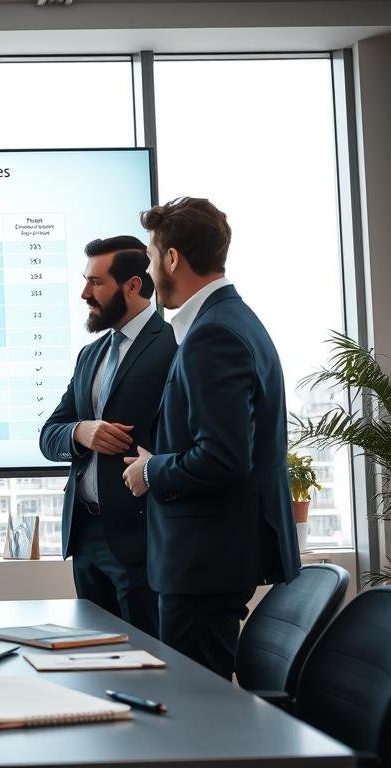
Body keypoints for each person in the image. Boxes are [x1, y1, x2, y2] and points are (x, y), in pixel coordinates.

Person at [121, 196, 300, 679]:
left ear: (173, 258)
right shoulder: (229, 319)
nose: (151, 267)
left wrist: (149, 469)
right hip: (210, 559)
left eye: (153, 256)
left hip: (202, 565)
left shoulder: (212, 334)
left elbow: (221, 457)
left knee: (198, 715)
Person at [40, 236, 176, 637]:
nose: (85, 294)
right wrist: (82, 431)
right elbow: (50, 434)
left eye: (96, 283)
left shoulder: (174, 344)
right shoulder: (90, 355)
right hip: (85, 539)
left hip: (142, 539)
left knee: (148, 663)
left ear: (132, 286)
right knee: (93, 663)